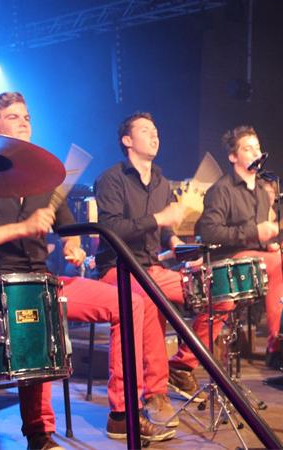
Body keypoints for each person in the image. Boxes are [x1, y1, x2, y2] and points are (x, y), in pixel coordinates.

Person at [0, 92, 175, 450]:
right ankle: (40, 434)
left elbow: (69, 232)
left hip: (46, 281)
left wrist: (73, 247)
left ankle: (122, 413)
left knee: (130, 303)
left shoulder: (43, 177)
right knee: (35, 315)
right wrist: (21, 228)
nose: (24, 122)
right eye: (14, 117)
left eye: (27, 117)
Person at [94, 111, 233, 420]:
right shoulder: (111, 179)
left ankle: (182, 365)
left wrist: (178, 245)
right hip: (119, 269)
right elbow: (111, 229)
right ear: (127, 140)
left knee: (220, 294)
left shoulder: (161, 182)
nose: (154, 134)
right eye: (145, 130)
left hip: (152, 268)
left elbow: (165, 231)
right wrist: (158, 219)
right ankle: (154, 393)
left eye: (155, 129)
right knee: (147, 298)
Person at [195, 125, 283, 367]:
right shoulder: (221, 190)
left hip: (256, 258)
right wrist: (255, 232)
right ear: (233, 156)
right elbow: (208, 232)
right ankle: (276, 346)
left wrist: (267, 243)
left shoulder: (261, 192)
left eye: (257, 147)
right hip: (229, 261)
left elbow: (259, 237)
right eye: (248, 148)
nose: (256, 152)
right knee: (277, 265)